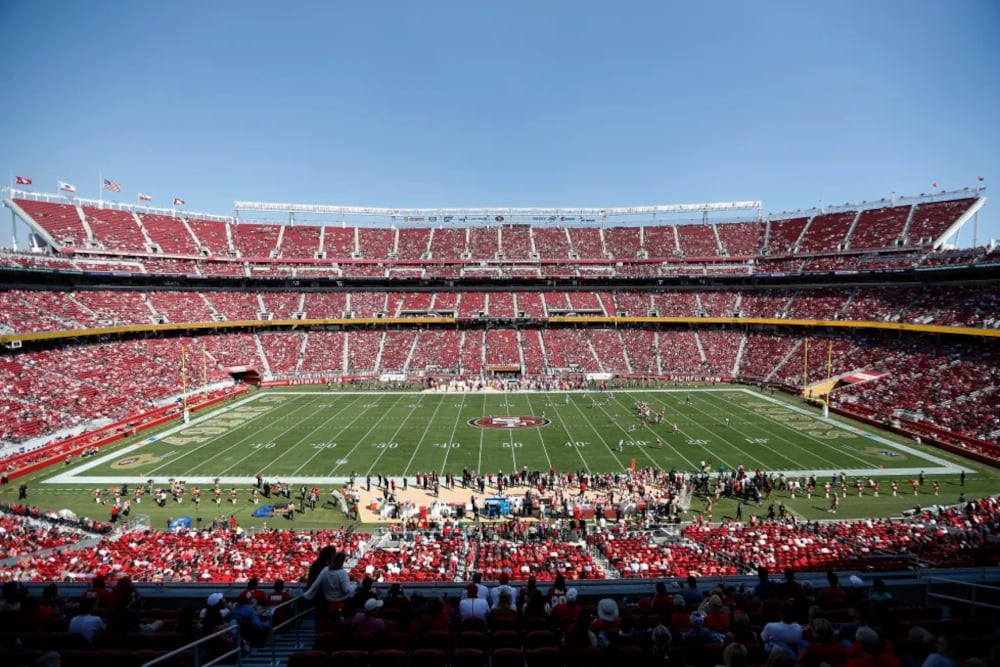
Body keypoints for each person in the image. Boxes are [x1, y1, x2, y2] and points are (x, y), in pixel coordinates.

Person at [303, 551, 356, 618]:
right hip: (340, 602)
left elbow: (316, 584)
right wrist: (354, 586)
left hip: (327, 602)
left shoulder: (325, 570)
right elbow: (346, 590)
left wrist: (307, 595)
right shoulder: (342, 573)